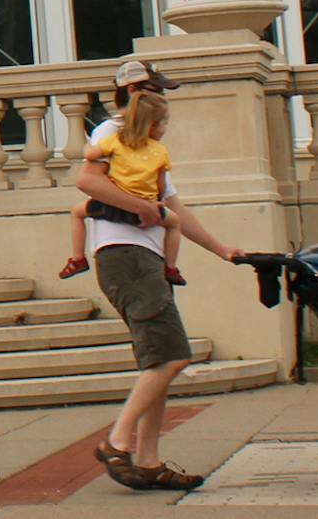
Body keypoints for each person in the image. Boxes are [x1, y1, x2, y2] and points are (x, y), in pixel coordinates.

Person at [75, 60, 241, 492]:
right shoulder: (110, 133)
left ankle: (147, 461)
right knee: (171, 357)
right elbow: (88, 182)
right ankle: (117, 444)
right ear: (136, 93)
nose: (164, 101)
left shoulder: (147, 145)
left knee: (159, 361)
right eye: (156, 91)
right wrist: (143, 209)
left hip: (142, 256)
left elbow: (175, 208)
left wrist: (220, 248)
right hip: (125, 253)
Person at [61, 91, 185, 284]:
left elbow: (92, 154)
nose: (165, 128)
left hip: (113, 206)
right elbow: (160, 185)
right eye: (163, 123)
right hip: (148, 207)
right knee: (175, 223)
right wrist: (156, 201)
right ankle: (171, 267)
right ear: (151, 126)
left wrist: (87, 147)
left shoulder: (116, 141)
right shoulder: (160, 151)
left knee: (77, 213)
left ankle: (77, 258)